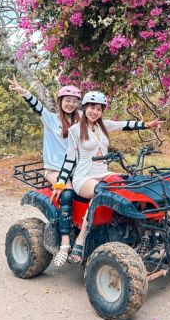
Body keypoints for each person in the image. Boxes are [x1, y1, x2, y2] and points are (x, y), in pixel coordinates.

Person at [53, 90, 163, 264]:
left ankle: (143, 233)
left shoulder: (103, 126)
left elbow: (126, 125)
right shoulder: (75, 130)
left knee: (133, 183)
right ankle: (80, 240)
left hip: (103, 173)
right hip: (84, 177)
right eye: (91, 107)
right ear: (85, 107)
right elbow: (69, 159)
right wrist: (60, 183)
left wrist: (148, 124)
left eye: (98, 108)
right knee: (102, 191)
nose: (94, 112)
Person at [8, 75, 81, 266]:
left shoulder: (80, 123)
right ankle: (65, 244)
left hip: (77, 169)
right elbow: (36, 105)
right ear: (61, 102)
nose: (71, 104)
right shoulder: (50, 119)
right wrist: (23, 92)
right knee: (67, 193)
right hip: (55, 169)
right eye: (67, 100)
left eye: (74, 101)